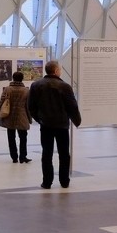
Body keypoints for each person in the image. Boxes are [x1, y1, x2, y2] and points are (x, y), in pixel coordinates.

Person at [28, 60, 81, 189]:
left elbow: (31, 106)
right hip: (62, 125)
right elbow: (72, 106)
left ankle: (47, 181)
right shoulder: (65, 86)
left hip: (45, 125)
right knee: (64, 154)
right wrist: (77, 120)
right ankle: (64, 181)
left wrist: (39, 119)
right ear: (56, 71)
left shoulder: (36, 85)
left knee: (46, 153)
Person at [0, 71, 32, 164]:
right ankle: (23, 157)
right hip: (22, 116)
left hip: (9, 116)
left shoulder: (7, 89)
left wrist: (1, 114)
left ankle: (14, 157)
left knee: (11, 137)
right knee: (23, 137)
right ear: (22, 79)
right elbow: (28, 107)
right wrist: (29, 118)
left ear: (13, 78)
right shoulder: (26, 90)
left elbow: (1, 103)